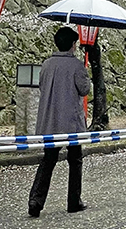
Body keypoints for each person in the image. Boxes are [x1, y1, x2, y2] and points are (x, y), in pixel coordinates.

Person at [28, 26, 92, 217]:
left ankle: (36, 201)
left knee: (48, 160)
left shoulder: (46, 64)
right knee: (75, 160)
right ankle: (74, 200)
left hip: (50, 120)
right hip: (71, 122)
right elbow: (84, 89)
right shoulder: (77, 66)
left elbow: (42, 86)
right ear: (73, 45)